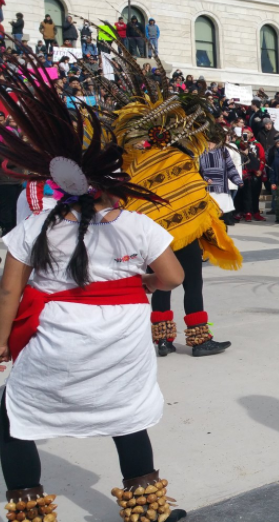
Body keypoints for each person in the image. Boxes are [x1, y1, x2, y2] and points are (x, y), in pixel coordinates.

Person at [0, 57, 190, 522]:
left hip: (55, 340)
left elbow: (9, 293)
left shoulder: (36, 226)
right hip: (121, 342)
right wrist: (139, 282)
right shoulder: (137, 225)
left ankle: (29, 511)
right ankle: (147, 509)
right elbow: (173, 279)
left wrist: (1, 342)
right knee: (128, 416)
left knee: (14, 422)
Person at [106, 47, 242, 359]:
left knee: (161, 282)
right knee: (192, 282)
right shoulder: (177, 154)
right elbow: (193, 188)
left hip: (154, 232)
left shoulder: (135, 160)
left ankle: (163, 340)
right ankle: (198, 339)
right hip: (183, 232)